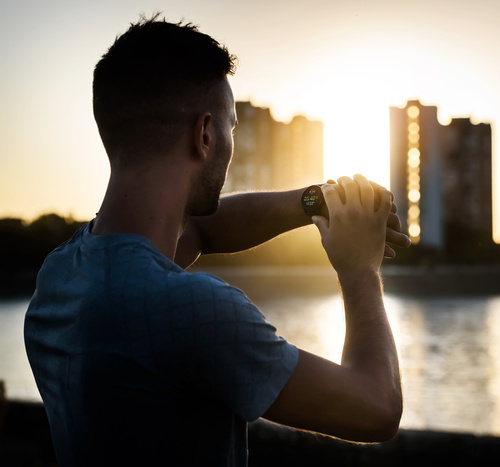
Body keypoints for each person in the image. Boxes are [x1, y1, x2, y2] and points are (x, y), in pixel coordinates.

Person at [24, 15, 409, 467]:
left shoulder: (60, 274)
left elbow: (203, 229)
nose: (230, 142)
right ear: (204, 134)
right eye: (231, 127)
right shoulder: (191, 310)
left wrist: (317, 201)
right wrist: (359, 271)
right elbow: (376, 408)